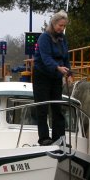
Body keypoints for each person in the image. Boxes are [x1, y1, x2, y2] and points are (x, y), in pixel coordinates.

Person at [33, 10, 73, 146]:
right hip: (42, 76)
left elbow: (65, 57)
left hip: (56, 76)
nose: (62, 29)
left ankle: (59, 139)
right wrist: (57, 67)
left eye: (64, 26)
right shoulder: (44, 37)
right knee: (43, 108)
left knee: (57, 108)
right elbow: (46, 58)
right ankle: (44, 138)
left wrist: (69, 73)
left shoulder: (63, 38)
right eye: (60, 26)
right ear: (54, 23)